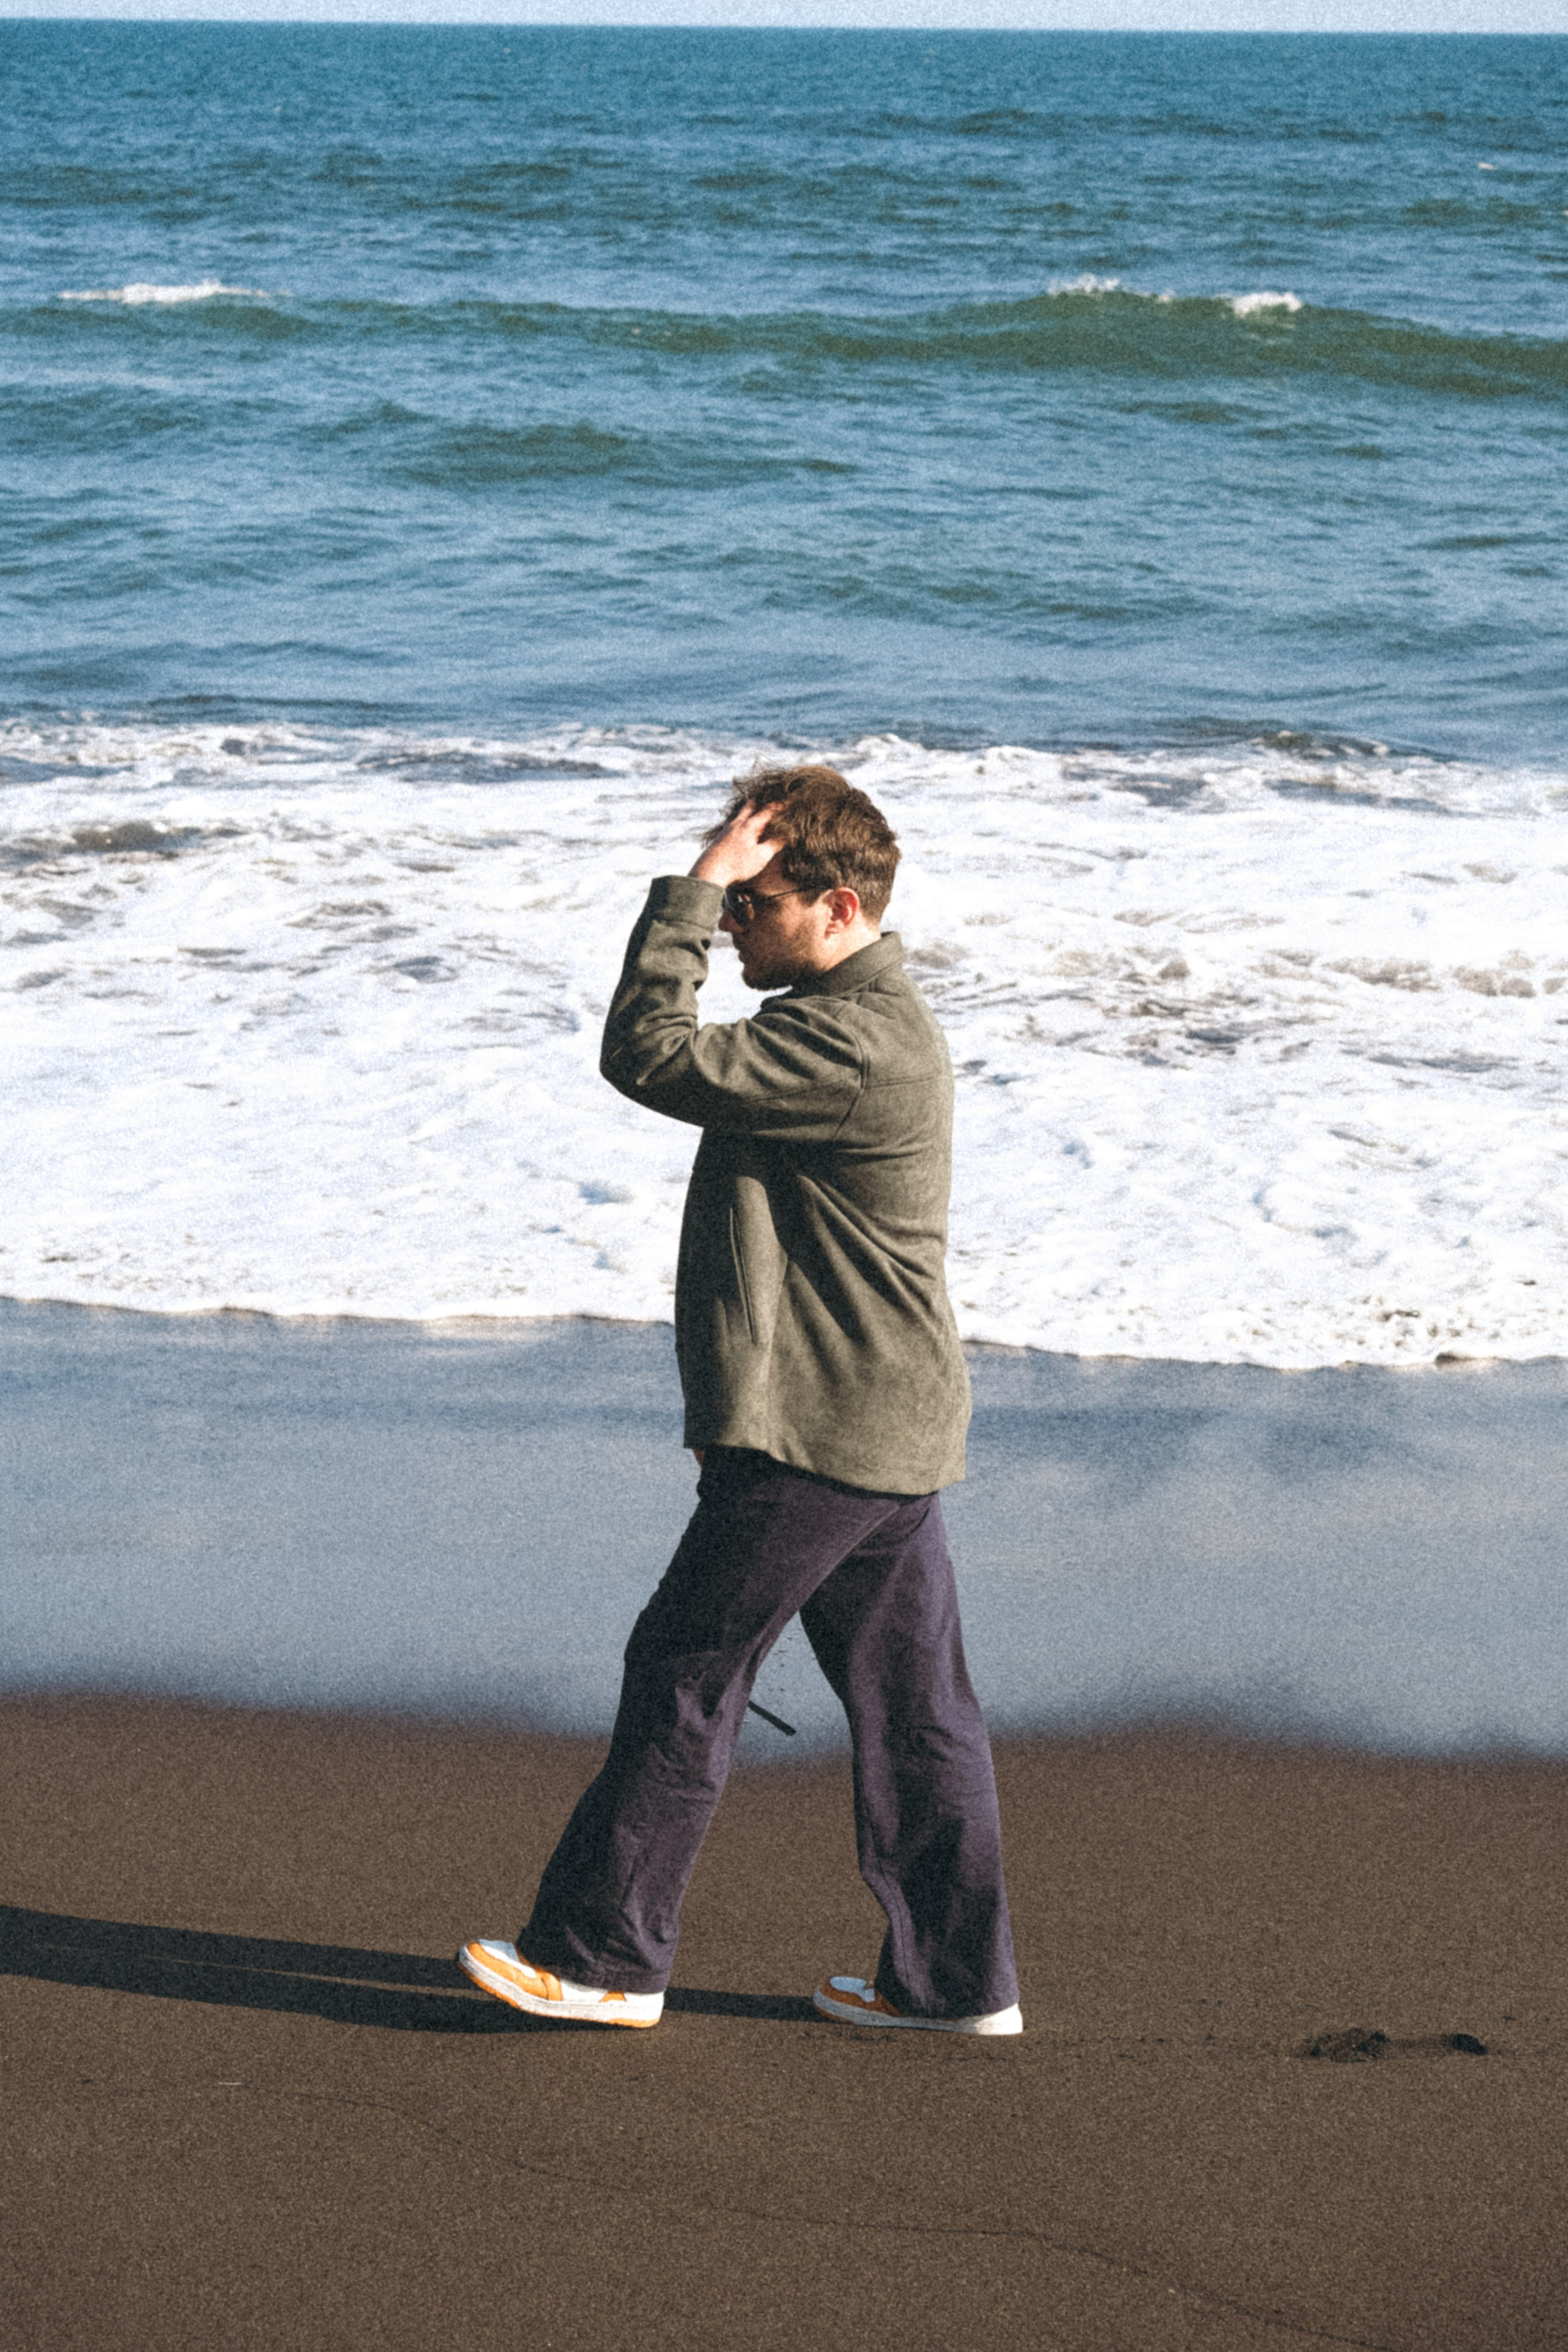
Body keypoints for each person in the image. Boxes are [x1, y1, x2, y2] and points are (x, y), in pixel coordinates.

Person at [459, 763, 1020, 2035]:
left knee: (686, 1672)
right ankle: (953, 1984)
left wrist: (684, 888)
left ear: (836, 906)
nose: (729, 922)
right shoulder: (850, 1022)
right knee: (916, 1715)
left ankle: (603, 1960)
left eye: (752, 902)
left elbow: (647, 1052)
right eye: (726, 903)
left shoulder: (846, 1039)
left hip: (821, 1430)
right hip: (879, 1421)